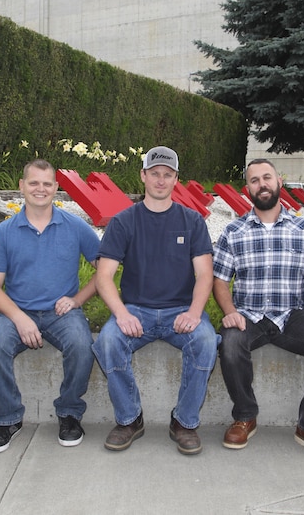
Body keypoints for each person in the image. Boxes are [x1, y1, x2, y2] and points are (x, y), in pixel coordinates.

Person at [91, 146, 219, 455]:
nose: (160, 181)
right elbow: (104, 277)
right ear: (143, 176)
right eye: (154, 174)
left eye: (167, 175)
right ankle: (130, 418)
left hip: (180, 311)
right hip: (136, 310)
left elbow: (205, 275)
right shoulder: (124, 221)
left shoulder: (192, 221)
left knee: (205, 341)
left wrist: (194, 312)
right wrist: (121, 314)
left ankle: (185, 422)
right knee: (109, 341)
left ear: (176, 179)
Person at [213, 159, 304, 459]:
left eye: (267, 177)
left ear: (279, 182)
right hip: (249, 314)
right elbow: (219, 281)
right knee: (230, 343)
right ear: (248, 189)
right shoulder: (234, 231)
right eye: (255, 180)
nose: (262, 184)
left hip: (292, 315)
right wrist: (230, 310)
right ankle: (245, 416)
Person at [0, 159, 100, 453]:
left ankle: (70, 414)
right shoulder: (6, 232)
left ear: (56, 189)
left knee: (83, 345)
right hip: (17, 311)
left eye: (47, 184)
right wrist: (19, 318)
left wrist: (77, 299)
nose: (40, 189)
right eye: (33, 183)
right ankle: (8, 419)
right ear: (21, 186)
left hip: (63, 314)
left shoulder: (75, 227)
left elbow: (104, 271)